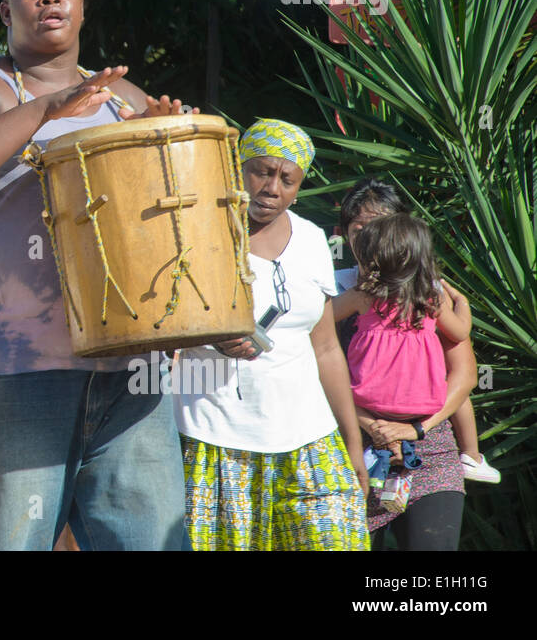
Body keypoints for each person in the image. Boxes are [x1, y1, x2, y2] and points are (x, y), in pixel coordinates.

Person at [0, 0, 192, 551]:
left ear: (82, 5)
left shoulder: (121, 96)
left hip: (129, 372)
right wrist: (49, 107)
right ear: (5, 10)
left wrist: (166, 134)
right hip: (14, 373)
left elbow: (173, 216)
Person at [175, 119, 369, 551]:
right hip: (215, 436)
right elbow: (160, 333)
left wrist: (352, 443)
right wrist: (214, 338)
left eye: (287, 179)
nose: (272, 188)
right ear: (237, 169)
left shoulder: (312, 240)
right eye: (262, 171)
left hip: (309, 439)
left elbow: (325, 349)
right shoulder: (196, 232)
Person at [336, 178, 498, 485]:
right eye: (359, 229)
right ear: (344, 233)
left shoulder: (428, 293)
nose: (371, 240)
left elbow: (463, 374)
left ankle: (469, 454)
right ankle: (472, 456)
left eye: (381, 228)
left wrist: (417, 430)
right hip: (352, 434)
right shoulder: (334, 288)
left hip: (428, 440)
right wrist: (372, 427)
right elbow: (313, 354)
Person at [334, 213, 472, 550]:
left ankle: (470, 455)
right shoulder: (431, 299)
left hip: (405, 437)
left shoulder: (363, 295)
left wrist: (409, 431)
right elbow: (462, 330)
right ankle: (474, 456)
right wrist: (463, 303)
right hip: (372, 435)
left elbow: (316, 325)